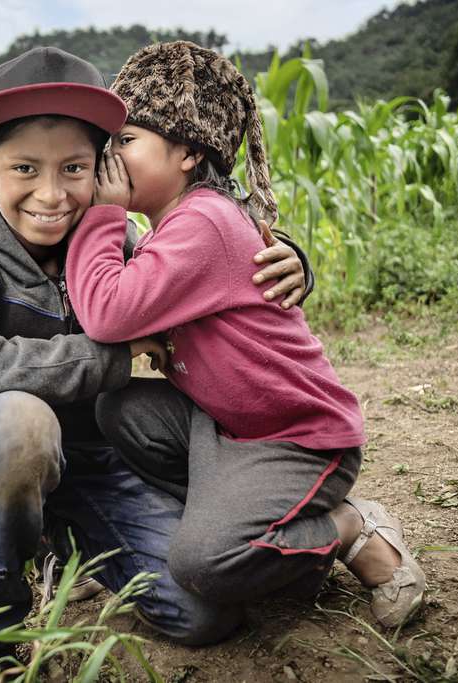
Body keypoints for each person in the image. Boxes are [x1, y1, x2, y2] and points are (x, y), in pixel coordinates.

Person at [0, 46, 315, 670]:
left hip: (98, 459)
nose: (51, 194)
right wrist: (113, 357)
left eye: (74, 169)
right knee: (22, 425)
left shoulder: (111, 237)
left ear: (101, 167)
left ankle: (61, 532)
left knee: (203, 611)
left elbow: (200, 256)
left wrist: (289, 259)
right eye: (25, 168)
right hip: (2, 447)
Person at [64, 40, 426, 630]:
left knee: (204, 564)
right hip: (230, 430)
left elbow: (106, 313)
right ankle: (253, 527)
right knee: (123, 408)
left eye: (125, 142)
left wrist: (103, 213)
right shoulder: (175, 225)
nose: (110, 159)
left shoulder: (202, 222)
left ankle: (349, 526)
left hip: (297, 437)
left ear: (186, 151)